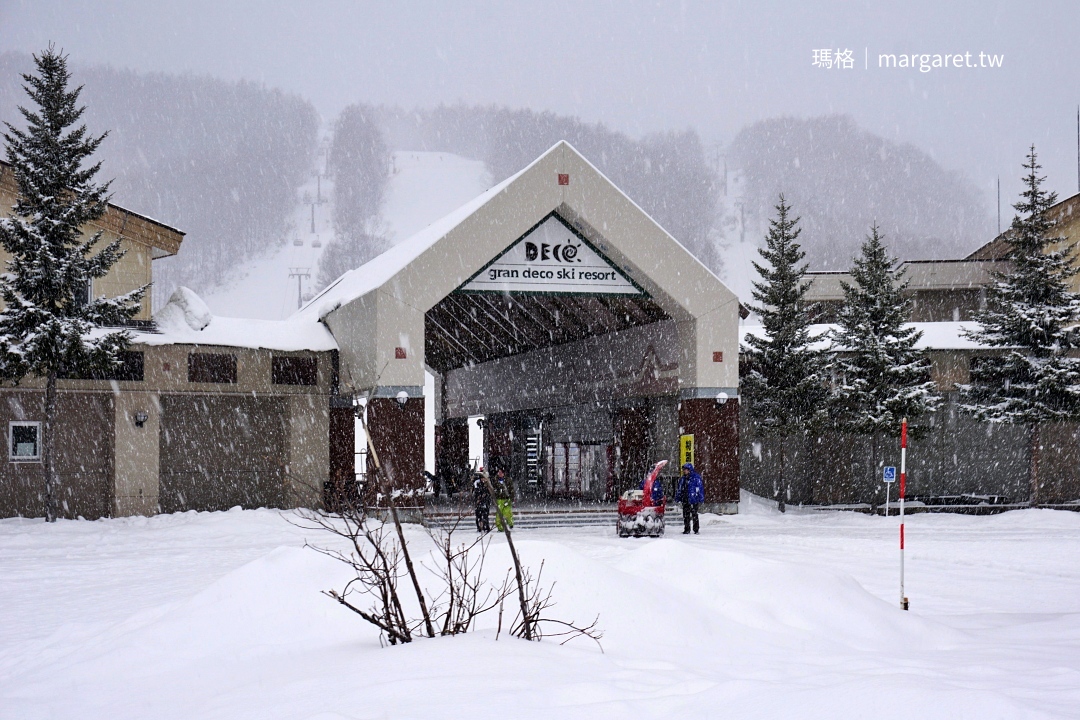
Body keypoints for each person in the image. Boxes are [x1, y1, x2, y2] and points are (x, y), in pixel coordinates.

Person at [676, 462, 704, 534]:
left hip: (693, 499)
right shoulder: (683, 479)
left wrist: (700, 497)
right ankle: (687, 529)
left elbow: (700, 488)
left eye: (685, 469)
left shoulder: (696, 478)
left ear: (689, 470)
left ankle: (696, 529)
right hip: (685, 499)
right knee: (686, 515)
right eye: (684, 470)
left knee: (694, 515)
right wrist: (678, 497)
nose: (684, 471)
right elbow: (679, 489)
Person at [473, 468, 492, 533]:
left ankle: (486, 527)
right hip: (479, 501)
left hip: (485, 501)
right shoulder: (477, 483)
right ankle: (480, 527)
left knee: (485, 515)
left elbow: (489, 492)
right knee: (479, 515)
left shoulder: (487, 483)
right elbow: (476, 492)